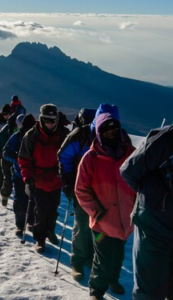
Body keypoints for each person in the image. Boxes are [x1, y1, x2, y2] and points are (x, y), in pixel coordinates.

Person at [58, 104, 123, 281]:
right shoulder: (81, 135)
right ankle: (78, 261)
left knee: (101, 229)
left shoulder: (120, 138)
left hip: (109, 195)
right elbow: (64, 157)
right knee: (82, 224)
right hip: (84, 190)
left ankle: (95, 262)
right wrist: (69, 184)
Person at [75, 112, 135, 300]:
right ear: (99, 132)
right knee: (102, 258)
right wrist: (96, 211)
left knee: (118, 255)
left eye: (114, 129)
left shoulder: (131, 153)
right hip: (102, 221)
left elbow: (141, 182)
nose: (111, 133)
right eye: (106, 130)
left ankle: (113, 279)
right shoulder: (90, 158)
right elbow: (81, 190)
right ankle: (97, 290)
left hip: (126, 218)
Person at [120, 125, 173, 300]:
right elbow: (129, 171)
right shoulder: (166, 138)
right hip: (154, 227)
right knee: (148, 292)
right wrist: (153, 198)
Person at [18, 104, 69, 253]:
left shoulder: (64, 134)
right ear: (41, 119)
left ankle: (50, 230)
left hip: (56, 178)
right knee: (40, 209)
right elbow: (24, 159)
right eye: (47, 120)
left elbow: (70, 156)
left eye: (53, 120)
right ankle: (40, 239)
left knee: (53, 208)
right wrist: (27, 178)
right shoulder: (32, 136)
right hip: (38, 179)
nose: (50, 124)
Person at [3, 114, 36, 235]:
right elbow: (5, 153)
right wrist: (17, 159)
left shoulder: (37, 137)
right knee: (20, 200)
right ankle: (20, 224)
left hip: (33, 175)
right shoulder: (16, 137)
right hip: (19, 175)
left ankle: (30, 222)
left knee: (32, 201)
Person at [0, 112, 22, 206]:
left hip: (19, 160)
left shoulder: (27, 131)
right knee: (8, 180)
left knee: (19, 182)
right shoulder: (7, 128)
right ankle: (5, 197)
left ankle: (20, 203)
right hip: (6, 158)